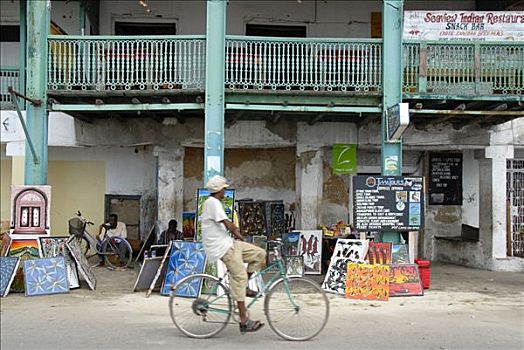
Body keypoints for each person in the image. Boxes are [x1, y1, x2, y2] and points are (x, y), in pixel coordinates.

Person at [201, 175, 266, 333]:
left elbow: (229, 227)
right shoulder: (212, 203)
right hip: (222, 248)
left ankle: (244, 289)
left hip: (229, 243)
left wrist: (239, 238)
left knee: (260, 254)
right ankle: (244, 320)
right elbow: (228, 224)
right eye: (224, 188)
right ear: (218, 190)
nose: (225, 191)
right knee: (240, 277)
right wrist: (238, 234)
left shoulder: (215, 203)